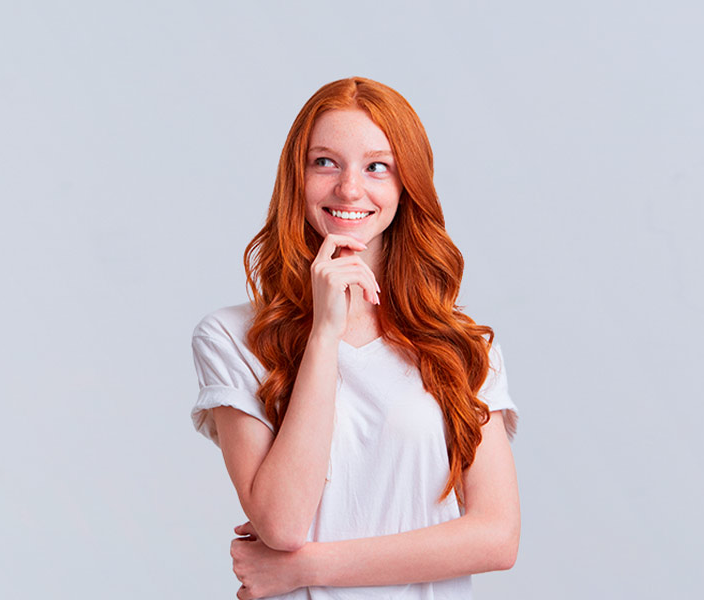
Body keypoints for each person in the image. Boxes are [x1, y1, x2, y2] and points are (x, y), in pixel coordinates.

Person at [191, 76, 520, 599]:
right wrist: (324, 334)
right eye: (325, 162)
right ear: (295, 178)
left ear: (406, 184)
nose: (349, 189)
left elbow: (496, 537)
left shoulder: (462, 346)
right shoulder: (232, 337)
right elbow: (281, 523)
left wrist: (304, 568)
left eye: (377, 167)